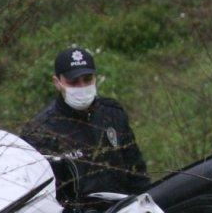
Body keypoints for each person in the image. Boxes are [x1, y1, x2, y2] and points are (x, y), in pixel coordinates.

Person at [22, 45, 149, 203]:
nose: (81, 87)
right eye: (73, 82)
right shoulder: (40, 133)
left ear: (95, 78)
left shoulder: (112, 113)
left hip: (125, 208)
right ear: (57, 82)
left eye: (87, 79)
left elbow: (136, 170)